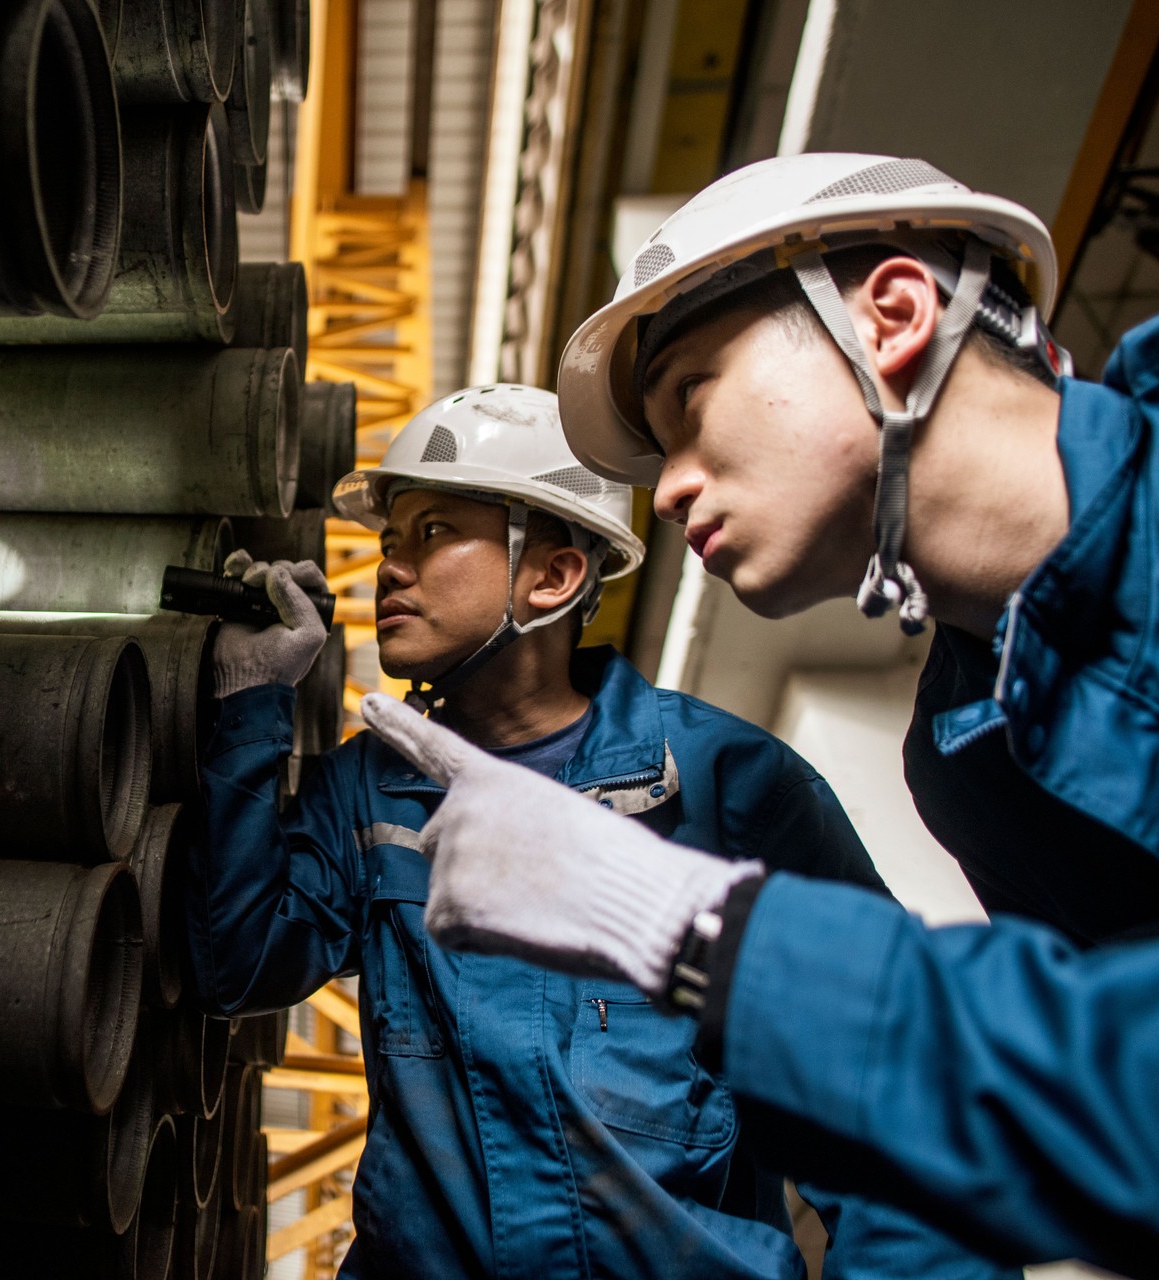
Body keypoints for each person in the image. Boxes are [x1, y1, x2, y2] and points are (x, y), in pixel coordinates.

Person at [357, 153, 1159, 1274]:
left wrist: (685, 924)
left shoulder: (740, 778)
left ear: (890, 313)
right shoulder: (971, 751)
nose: (672, 482)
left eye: (690, 399)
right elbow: (1095, 1103)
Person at [184, 384, 1006, 1278]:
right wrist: (254, 703)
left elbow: (891, 1101)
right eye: (390, 542)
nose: (389, 569)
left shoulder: (726, 789)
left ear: (553, 576)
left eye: (433, 534)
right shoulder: (372, 790)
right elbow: (238, 961)